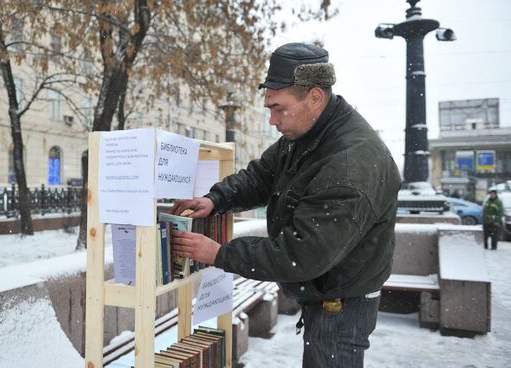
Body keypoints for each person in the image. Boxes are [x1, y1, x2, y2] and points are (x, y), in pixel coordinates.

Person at [170, 42, 401, 367]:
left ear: (315, 98)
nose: (273, 120)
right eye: (269, 109)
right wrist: (215, 199)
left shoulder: (347, 166)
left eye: (280, 109)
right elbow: (262, 176)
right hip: (326, 292)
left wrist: (218, 254)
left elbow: (300, 255)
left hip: (342, 303)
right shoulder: (308, 133)